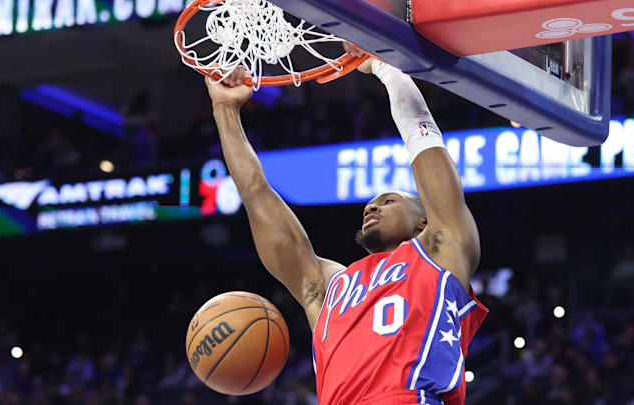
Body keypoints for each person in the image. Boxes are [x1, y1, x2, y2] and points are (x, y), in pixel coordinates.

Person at [203, 47, 488, 405]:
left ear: (424, 222)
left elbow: (425, 143)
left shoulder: (440, 250)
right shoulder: (330, 286)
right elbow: (257, 195)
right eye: (372, 202)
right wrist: (225, 110)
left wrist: (389, 69)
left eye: (389, 200)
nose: (372, 205)